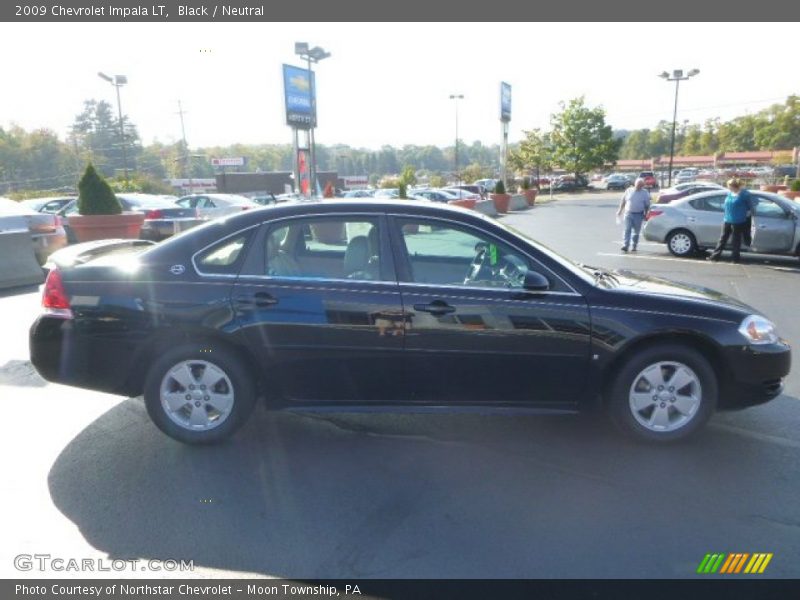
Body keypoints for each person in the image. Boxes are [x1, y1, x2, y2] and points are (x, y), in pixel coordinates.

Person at [707, 178, 752, 264]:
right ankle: (714, 257)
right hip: (727, 219)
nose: (728, 188)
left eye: (730, 186)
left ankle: (735, 259)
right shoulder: (730, 194)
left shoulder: (744, 194)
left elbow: (749, 208)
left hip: (738, 221)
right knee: (722, 239)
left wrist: (746, 217)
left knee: (735, 241)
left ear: (734, 186)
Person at [616, 177, 651, 252]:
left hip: (638, 214)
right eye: (638, 185)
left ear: (642, 186)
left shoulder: (644, 193)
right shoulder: (629, 190)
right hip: (628, 213)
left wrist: (646, 214)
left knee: (636, 232)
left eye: (641, 186)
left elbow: (647, 205)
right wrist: (620, 210)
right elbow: (623, 201)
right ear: (635, 184)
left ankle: (634, 245)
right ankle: (625, 245)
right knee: (627, 230)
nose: (639, 187)